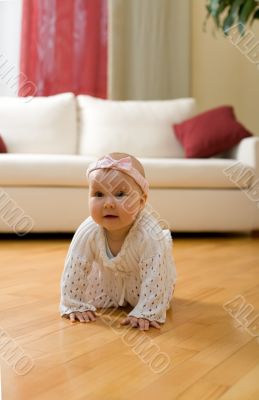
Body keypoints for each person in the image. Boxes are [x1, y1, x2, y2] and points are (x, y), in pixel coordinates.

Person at [59, 152, 177, 331]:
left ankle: (145, 305)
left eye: (120, 194)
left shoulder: (149, 234)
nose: (108, 204)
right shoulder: (88, 230)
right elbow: (75, 267)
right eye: (98, 194)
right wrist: (73, 304)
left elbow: (155, 273)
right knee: (94, 295)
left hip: (149, 285)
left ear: (141, 201)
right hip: (107, 287)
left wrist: (147, 311)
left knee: (158, 284)